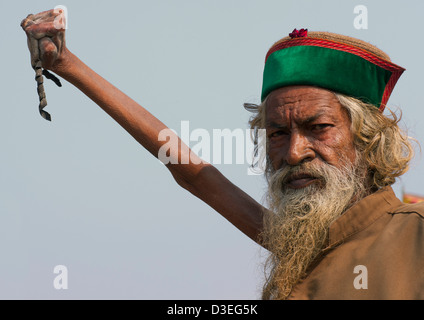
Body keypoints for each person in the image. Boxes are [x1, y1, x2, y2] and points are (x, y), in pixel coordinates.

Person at [21, 9, 424, 300]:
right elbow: (196, 175)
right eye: (278, 133)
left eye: (318, 128)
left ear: (370, 140)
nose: (294, 152)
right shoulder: (298, 246)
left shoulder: (413, 235)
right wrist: (69, 65)